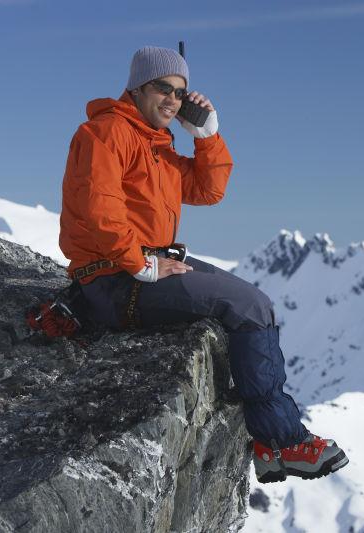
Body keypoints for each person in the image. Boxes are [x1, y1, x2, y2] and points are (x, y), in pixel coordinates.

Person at [58, 46, 347, 483]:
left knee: (256, 303)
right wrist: (141, 265)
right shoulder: (105, 133)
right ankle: (280, 442)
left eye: (181, 93)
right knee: (249, 307)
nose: (173, 100)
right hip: (118, 279)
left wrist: (207, 136)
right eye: (163, 88)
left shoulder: (157, 146)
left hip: (141, 267)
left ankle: (275, 445)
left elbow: (208, 190)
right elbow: (100, 211)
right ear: (137, 87)